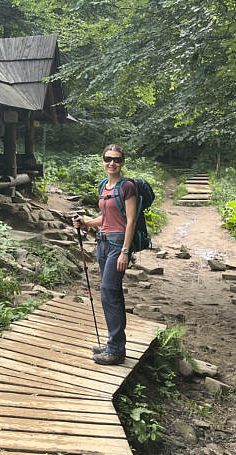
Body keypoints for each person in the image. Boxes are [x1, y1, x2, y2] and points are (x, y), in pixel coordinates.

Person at [73, 144, 137, 365]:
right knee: (111, 293)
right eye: (108, 159)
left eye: (117, 160)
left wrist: (125, 252)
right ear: (103, 160)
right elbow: (106, 217)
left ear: (122, 162)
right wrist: (87, 223)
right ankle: (113, 342)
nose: (112, 163)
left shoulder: (127, 186)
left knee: (109, 294)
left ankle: (117, 350)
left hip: (118, 246)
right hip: (103, 244)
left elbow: (130, 221)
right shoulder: (104, 186)